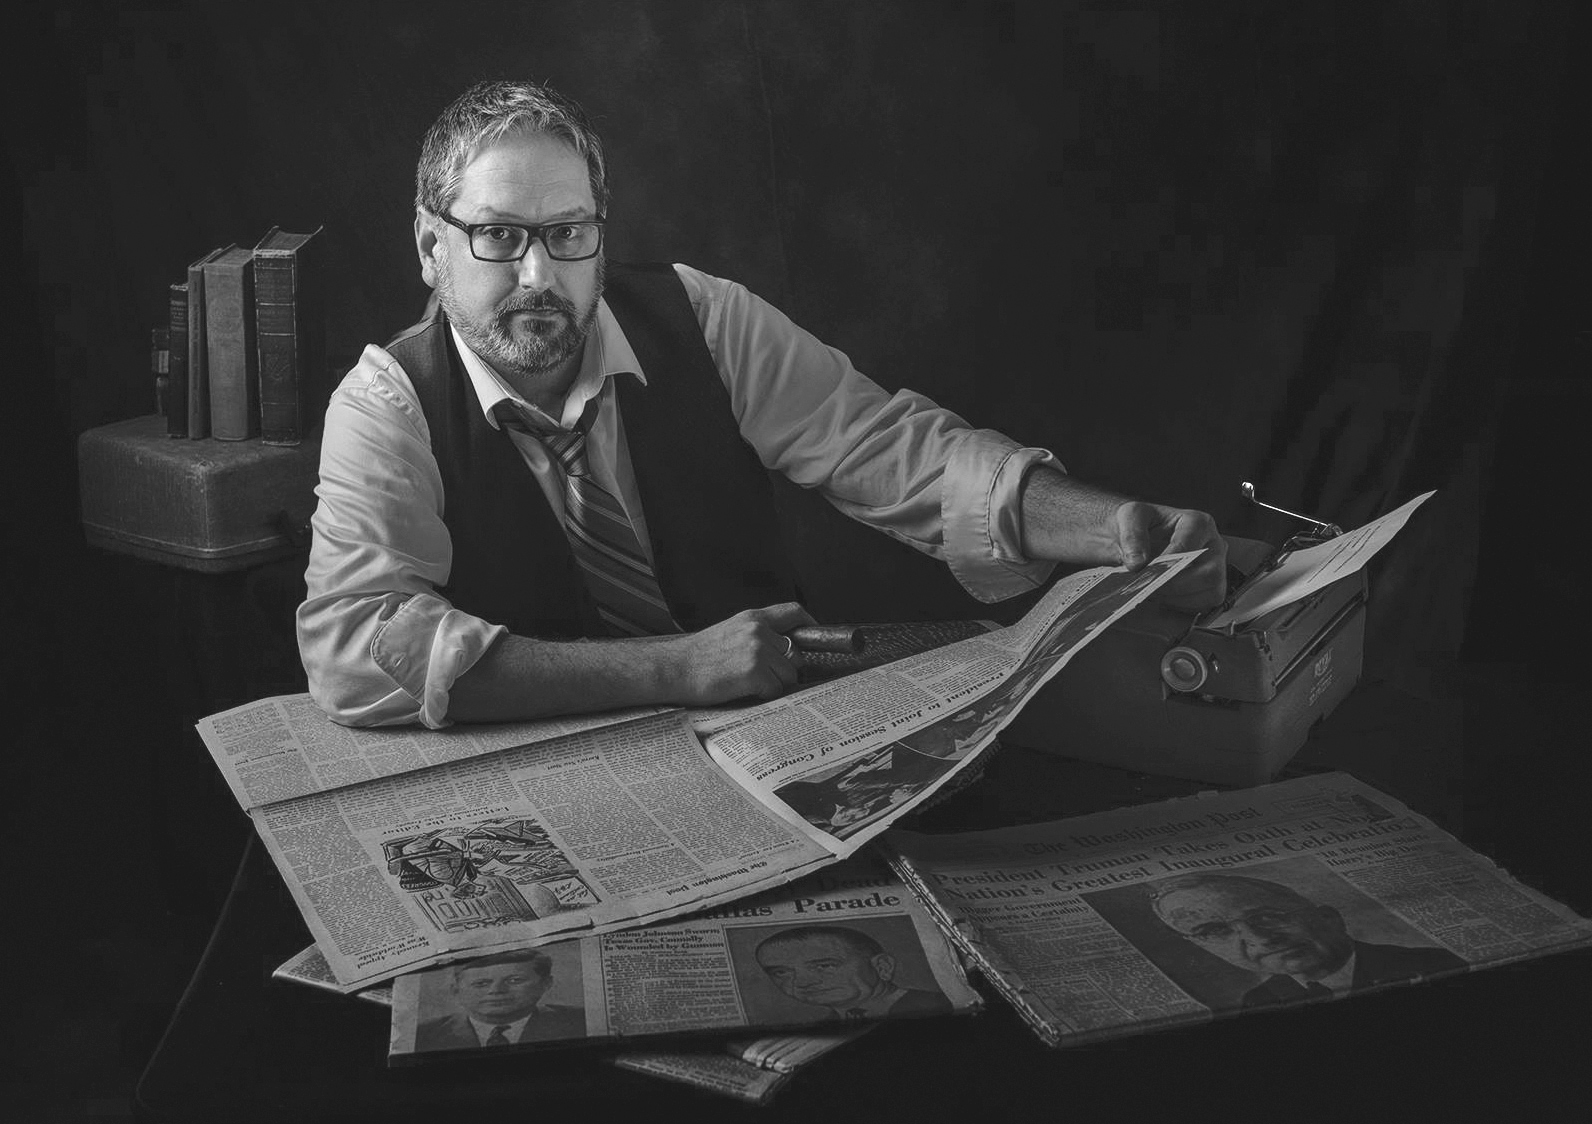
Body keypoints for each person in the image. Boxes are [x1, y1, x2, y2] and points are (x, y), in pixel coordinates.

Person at [297, 78, 1228, 729]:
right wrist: (676, 667)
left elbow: (893, 452)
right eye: (499, 236)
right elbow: (355, 649)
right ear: (431, 247)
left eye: (568, 233)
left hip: (769, 741)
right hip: (546, 775)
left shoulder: (701, 317)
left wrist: (1116, 529)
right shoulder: (387, 405)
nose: (540, 274)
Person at [1148, 873, 1467, 1006]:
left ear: (1329, 918)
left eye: (1267, 917)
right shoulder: (1259, 1001)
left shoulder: (1438, 964)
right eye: (1213, 931)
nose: (1260, 939)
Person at [752, 925, 952, 1020]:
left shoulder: (943, 1006)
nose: (803, 982)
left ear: (882, 966)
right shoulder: (822, 1026)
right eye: (781, 972)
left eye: (824, 966)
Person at [414, 949, 586, 1050]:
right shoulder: (423, 1035)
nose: (496, 991)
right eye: (481, 983)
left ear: (546, 983)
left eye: (514, 980)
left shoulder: (581, 1021)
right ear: (456, 990)